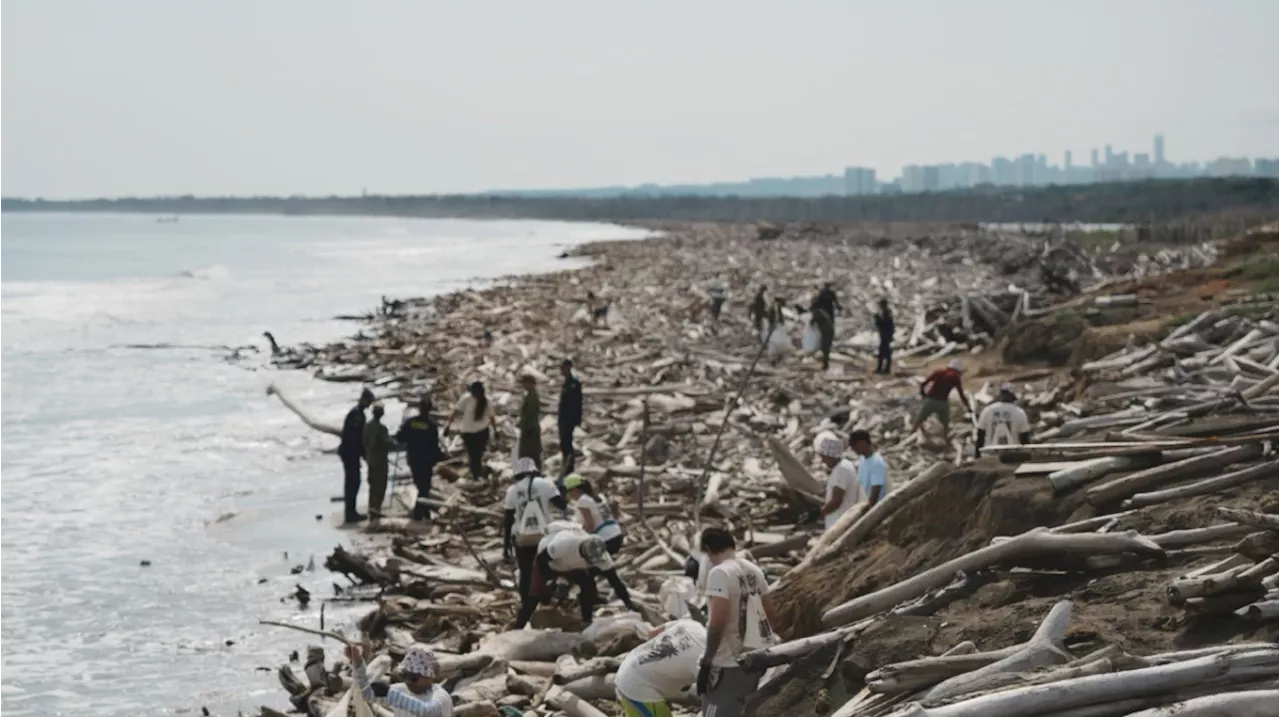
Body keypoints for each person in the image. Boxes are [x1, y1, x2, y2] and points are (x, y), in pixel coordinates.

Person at [696, 527, 778, 717]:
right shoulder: (755, 571)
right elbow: (771, 615)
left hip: (726, 663)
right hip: (754, 659)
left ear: (708, 550)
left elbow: (717, 622)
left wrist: (707, 662)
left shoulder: (719, 573)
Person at [515, 524, 633, 628]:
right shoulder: (563, 544)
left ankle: (586, 621)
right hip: (551, 562)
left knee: (588, 587)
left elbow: (615, 581)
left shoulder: (601, 555)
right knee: (536, 594)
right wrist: (550, 582)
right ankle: (519, 625)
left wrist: (629, 604)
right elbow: (541, 560)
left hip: (574, 566)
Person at [615, 619, 708, 717]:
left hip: (630, 664)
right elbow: (714, 699)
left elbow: (652, 633)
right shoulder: (706, 658)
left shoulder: (692, 624)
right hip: (638, 689)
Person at [503, 457, 565, 602]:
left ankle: (526, 602)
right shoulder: (545, 484)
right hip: (544, 535)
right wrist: (561, 489)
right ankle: (546, 600)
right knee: (547, 568)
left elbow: (508, 519)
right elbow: (561, 505)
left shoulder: (512, 490)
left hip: (522, 537)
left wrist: (506, 545)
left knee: (525, 572)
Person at [348, 643, 453, 717]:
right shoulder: (401, 690)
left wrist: (389, 694)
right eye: (404, 675)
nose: (408, 681)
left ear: (430, 677)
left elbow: (427, 711)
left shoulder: (441, 696)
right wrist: (357, 663)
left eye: (413, 678)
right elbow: (367, 694)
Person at [397, 396, 445, 521]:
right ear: (429, 409)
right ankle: (420, 512)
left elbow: (400, 438)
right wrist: (441, 457)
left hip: (413, 459)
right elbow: (434, 445)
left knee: (420, 485)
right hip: (426, 460)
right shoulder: (431, 425)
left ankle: (424, 511)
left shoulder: (410, 422)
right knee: (425, 486)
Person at [445, 382, 496, 481]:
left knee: (478, 454)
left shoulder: (487, 402)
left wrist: (495, 430)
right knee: (473, 454)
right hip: (468, 433)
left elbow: (492, 417)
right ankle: (475, 474)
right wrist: (448, 425)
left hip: (482, 432)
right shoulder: (466, 399)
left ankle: (476, 472)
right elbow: (456, 412)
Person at [339, 388, 375, 524]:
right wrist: (363, 454)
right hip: (349, 453)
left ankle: (351, 512)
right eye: (369, 402)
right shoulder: (356, 415)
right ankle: (350, 514)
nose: (369, 405)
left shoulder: (359, 414)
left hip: (351, 453)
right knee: (352, 483)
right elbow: (355, 438)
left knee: (354, 482)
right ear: (363, 399)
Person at [564, 473, 623, 554]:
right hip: (616, 534)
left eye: (568, 491)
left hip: (606, 539)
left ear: (574, 489)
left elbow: (590, 526)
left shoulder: (583, 501)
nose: (568, 494)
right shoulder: (599, 496)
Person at [913, 358, 970, 438]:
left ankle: (912, 434)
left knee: (920, 419)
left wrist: (923, 394)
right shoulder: (955, 378)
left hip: (930, 400)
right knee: (945, 424)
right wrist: (968, 406)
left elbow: (924, 383)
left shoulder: (939, 372)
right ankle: (945, 439)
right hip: (943, 403)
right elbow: (961, 394)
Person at [976, 383, 1032, 458]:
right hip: (1012, 456)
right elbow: (1025, 439)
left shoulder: (987, 410)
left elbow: (980, 436)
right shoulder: (1019, 412)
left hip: (990, 455)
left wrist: (977, 456)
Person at [817, 435, 859, 531]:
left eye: (824, 457)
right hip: (840, 520)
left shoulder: (842, 469)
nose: (823, 461)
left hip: (839, 522)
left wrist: (821, 512)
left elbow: (836, 501)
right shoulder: (843, 466)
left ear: (831, 455)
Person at [363, 403, 391, 521]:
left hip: (370, 459)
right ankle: (376, 509)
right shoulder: (382, 428)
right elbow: (386, 443)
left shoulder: (367, 426)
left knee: (372, 485)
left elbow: (364, 442)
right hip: (380, 461)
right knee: (381, 485)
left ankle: (372, 508)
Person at [849, 429, 890, 508]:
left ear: (862, 443)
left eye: (854, 445)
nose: (853, 449)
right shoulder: (863, 460)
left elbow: (874, 495)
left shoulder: (877, 463)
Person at [558, 359, 583, 477]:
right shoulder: (567, 383)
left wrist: (576, 419)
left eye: (563, 368)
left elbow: (578, 403)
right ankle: (566, 465)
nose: (561, 370)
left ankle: (569, 467)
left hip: (569, 419)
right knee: (564, 444)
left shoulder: (574, 384)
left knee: (567, 444)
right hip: (564, 419)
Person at [518, 374, 543, 470]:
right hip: (529, 429)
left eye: (524, 383)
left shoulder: (532, 396)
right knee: (530, 454)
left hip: (530, 430)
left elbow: (530, 414)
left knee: (530, 454)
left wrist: (525, 427)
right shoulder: (529, 395)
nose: (523, 385)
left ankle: (533, 472)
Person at [874, 298, 895, 374]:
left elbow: (883, 325)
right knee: (885, 353)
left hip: (885, 336)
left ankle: (883, 369)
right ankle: (884, 369)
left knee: (883, 353)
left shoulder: (886, 313)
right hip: (886, 336)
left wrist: (877, 319)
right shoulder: (887, 312)